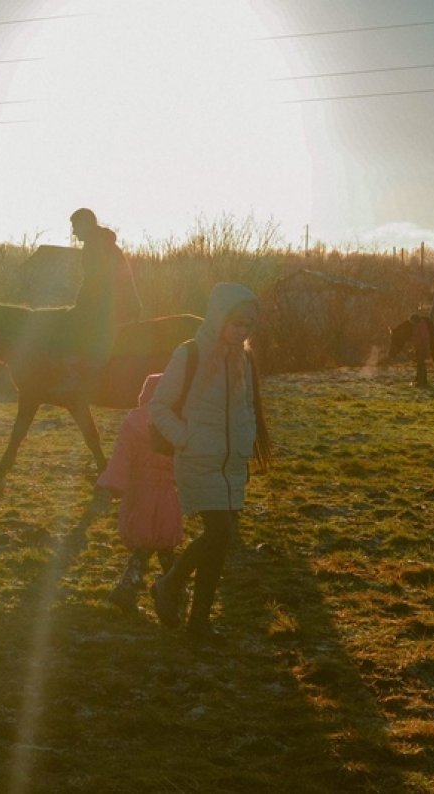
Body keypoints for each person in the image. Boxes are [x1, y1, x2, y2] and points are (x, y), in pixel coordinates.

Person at [147, 282, 270, 643]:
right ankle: (169, 584)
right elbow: (158, 407)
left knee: (220, 543)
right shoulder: (189, 354)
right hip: (200, 460)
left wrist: (245, 443)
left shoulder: (244, 359)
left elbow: (247, 407)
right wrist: (188, 439)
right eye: (236, 323)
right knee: (220, 533)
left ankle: (198, 621)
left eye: (248, 325)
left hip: (232, 464)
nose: (242, 331)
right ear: (219, 318)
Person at [95, 373, 184, 615]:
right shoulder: (174, 422)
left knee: (143, 545)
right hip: (166, 494)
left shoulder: (133, 422)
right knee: (164, 544)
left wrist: (111, 485)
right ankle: (173, 589)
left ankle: (130, 588)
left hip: (140, 494)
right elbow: (184, 459)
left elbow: (121, 458)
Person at [68, 208, 143, 367]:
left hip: (116, 309)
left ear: (86, 224)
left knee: (83, 339)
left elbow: (94, 282)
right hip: (123, 306)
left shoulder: (95, 245)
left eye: (75, 226)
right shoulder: (101, 241)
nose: (74, 232)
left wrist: (78, 309)